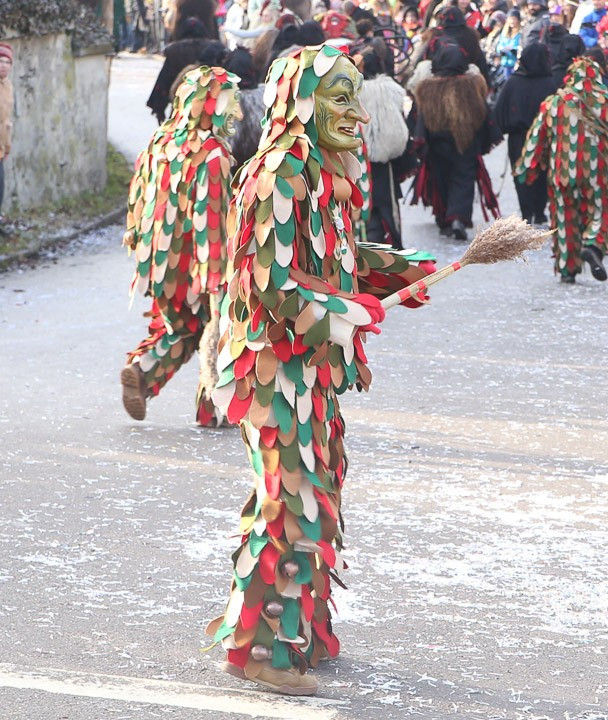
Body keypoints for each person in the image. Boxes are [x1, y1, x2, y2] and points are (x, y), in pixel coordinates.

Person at [207, 44, 436, 697]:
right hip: (273, 365)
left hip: (315, 370)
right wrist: (344, 310)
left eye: (354, 97)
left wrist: (394, 267)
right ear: (300, 101)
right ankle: (263, 650)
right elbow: (271, 282)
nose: (356, 114)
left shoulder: (330, 169)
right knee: (291, 498)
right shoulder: (280, 173)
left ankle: (296, 627)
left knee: (318, 490)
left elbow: (335, 254)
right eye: (340, 97)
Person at [121, 67, 242, 426]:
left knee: (180, 328)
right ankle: (213, 409)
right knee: (215, 329)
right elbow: (211, 219)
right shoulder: (213, 155)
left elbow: (138, 197)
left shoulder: (160, 140)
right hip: (197, 263)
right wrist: (217, 279)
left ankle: (142, 371)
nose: (236, 112)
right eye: (230, 103)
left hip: (156, 260)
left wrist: (137, 239)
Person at [515, 57, 608, 283]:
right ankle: (593, 246)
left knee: (565, 218)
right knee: (603, 210)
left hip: (561, 174)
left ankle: (567, 269)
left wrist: (527, 168)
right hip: (597, 174)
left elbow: (537, 138)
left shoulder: (555, 103)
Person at [412, 43, 501, 240]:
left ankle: (445, 218)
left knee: (441, 180)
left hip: (438, 144)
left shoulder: (428, 87)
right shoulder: (472, 85)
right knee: (463, 180)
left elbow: (422, 118)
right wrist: (486, 138)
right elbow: (483, 113)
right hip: (467, 143)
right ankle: (458, 218)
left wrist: (420, 141)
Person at [495, 42, 559, 225]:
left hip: (519, 137)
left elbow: (499, 111)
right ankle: (539, 211)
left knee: (521, 174)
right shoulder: (549, 83)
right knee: (542, 173)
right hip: (543, 138)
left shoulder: (513, 82)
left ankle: (527, 211)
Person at [358, 50, 412, 249]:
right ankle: (391, 242)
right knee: (387, 203)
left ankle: (370, 241)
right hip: (386, 155)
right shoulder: (392, 89)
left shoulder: (354, 90)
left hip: (361, 157)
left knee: (365, 200)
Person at [0, 43, 12, 225]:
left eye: (7, 62)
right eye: (0, 61)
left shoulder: (8, 86)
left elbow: (6, 121)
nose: (3, 65)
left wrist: (7, 146)